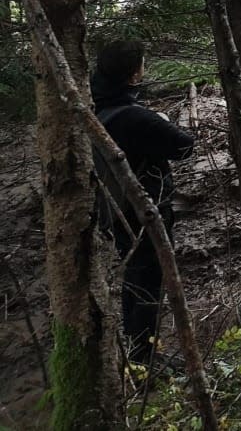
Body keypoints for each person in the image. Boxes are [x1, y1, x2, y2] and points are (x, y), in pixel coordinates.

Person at [90, 40, 194, 364]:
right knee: (149, 277)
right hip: (146, 209)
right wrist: (161, 120)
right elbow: (183, 148)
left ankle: (137, 350)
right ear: (134, 74)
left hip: (116, 211)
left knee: (135, 274)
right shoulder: (135, 118)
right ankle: (145, 356)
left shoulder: (97, 110)